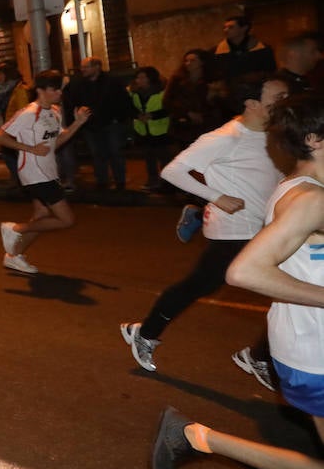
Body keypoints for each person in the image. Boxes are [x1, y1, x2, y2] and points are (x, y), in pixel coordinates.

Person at [148, 94, 324, 469]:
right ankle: (198, 438)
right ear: (313, 139)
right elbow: (245, 271)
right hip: (315, 357)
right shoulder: (309, 198)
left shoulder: (305, 188)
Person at [119, 74, 288, 374]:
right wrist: (217, 197)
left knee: (204, 285)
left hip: (262, 227)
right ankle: (146, 333)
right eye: (278, 99)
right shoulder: (225, 137)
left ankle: (146, 331)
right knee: (286, 293)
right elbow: (173, 171)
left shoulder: (271, 134)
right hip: (234, 230)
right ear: (252, 103)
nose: (285, 104)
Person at [0, 69, 92, 274]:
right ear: (40, 90)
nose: (59, 92)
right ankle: (15, 229)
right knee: (66, 220)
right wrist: (30, 149)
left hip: (48, 171)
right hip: (34, 173)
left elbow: (56, 142)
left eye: (60, 89)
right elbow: (1, 137)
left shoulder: (55, 111)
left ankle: (14, 255)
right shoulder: (29, 113)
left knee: (41, 215)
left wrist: (78, 122)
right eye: (54, 89)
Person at [65, 57, 134, 191]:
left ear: (97, 67)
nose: (82, 70)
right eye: (82, 67)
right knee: (97, 153)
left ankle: (120, 182)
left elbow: (124, 101)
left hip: (111, 124)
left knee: (115, 152)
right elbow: (72, 101)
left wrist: (119, 118)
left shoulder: (112, 82)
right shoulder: (79, 84)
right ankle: (102, 181)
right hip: (90, 125)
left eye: (86, 67)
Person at [128, 66, 174, 191]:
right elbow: (129, 107)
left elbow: (169, 108)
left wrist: (152, 115)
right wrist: (137, 115)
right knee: (149, 158)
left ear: (150, 78)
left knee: (164, 158)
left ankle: (167, 183)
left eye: (142, 77)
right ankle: (152, 181)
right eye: (137, 77)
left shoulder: (162, 92)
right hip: (143, 130)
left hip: (160, 130)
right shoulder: (133, 93)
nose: (139, 80)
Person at [214, 14, 276, 83]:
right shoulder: (217, 52)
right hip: (230, 91)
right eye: (224, 27)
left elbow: (271, 72)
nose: (226, 30)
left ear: (244, 28)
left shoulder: (263, 50)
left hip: (257, 89)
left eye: (231, 27)